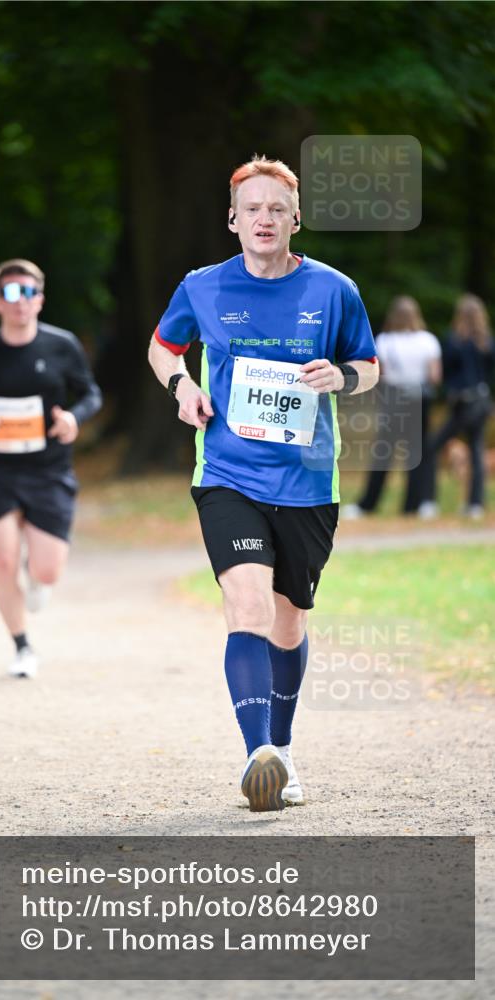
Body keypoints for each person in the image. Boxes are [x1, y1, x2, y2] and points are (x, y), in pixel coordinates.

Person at [148, 155, 379, 811]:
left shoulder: (333, 290)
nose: (264, 218)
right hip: (226, 473)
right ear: (232, 219)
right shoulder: (202, 287)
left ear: (294, 218)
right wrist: (181, 385)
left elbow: (367, 365)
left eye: (276, 207)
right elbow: (162, 346)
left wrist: (342, 377)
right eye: (251, 207)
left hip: (307, 482)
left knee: (287, 621)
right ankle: (257, 754)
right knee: (245, 606)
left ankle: (281, 746)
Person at [0, 259, 102, 678]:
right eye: (11, 293)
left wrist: (73, 419)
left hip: (49, 471)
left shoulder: (61, 346)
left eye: (28, 293)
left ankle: (38, 576)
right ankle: (22, 646)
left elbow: (90, 394)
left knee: (46, 570)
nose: (21, 302)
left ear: (40, 299)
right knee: (3, 559)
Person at [342, 296, 441, 518]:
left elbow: (380, 374)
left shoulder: (385, 340)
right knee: (420, 451)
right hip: (420, 398)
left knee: (384, 451)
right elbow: (434, 376)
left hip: (395, 399)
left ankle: (368, 503)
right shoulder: (428, 340)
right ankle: (420, 503)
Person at [420, 294, 494, 520]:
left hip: (462, 403)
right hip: (481, 402)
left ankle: (429, 501)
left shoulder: (453, 340)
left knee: (432, 446)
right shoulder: (487, 342)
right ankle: (475, 504)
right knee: (475, 449)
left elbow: (446, 374)